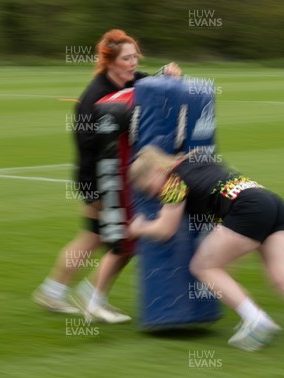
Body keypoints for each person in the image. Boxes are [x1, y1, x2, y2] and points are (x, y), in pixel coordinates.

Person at [127, 146, 284, 355]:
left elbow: (165, 229)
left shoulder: (172, 182)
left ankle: (256, 321)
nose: (152, 195)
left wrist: (139, 227)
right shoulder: (196, 158)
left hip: (247, 209)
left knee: (203, 266)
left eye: (149, 187)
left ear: (158, 170)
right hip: (270, 201)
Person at [33, 29, 181, 322]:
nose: (133, 63)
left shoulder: (132, 80)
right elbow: (87, 151)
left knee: (95, 237)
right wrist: (97, 193)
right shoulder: (93, 99)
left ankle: (55, 291)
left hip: (115, 177)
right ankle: (89, 295)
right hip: (99, 179)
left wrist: (167, 72)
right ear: (109, 61)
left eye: (134, 57)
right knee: (123, 240)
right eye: (126, 58)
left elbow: (151, 82)